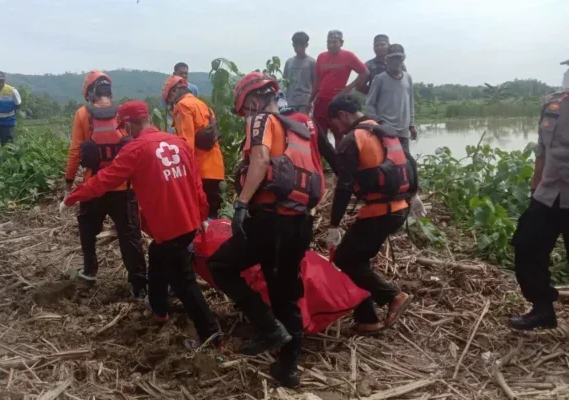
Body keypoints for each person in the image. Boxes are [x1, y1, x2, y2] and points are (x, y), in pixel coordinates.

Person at [60, 100, 220, 344]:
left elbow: (103, 180)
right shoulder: (179, 143)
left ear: (130, 124)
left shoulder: (135, 150)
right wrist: (202, 216)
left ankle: (210, 333)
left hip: (170, 228)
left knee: (184, 281)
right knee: (157, 256)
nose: (125, 132)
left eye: (125, 127)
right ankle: (159, 311)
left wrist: (72, 197)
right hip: (188, 223)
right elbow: (197, 184)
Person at [208, 72, 322, 388]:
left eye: (245, 109)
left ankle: (267, 327)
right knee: (285, 292)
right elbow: (318, 180)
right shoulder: (299, 130)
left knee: (219, 265)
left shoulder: (262, 121)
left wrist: (242, 205)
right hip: (300, 223)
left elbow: (259, 160)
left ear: (255, 101)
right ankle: (288, 370)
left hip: (271, 221)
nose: (246, 116)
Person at [325, 94, 414, 334]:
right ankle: (367, 318)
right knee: (356, 260)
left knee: (344, 258)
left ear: (343, 115)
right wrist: (414, 197)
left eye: (336, 123)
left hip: (380, 211)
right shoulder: (386, 130)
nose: (337, 129)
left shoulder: (353, 139)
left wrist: (334, 224)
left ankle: (394, 296)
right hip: (398, 209)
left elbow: (344, 186)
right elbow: (409, 164)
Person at [63, 70, 147, 297]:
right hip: (123, 186)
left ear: (89, 93)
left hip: (94, 186)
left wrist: (69, 183)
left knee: (87, 229)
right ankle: (139, 286)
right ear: (109, 91)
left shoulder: (83, 114)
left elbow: (74, 152)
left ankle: (90, 271)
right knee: (130, 236)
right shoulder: (123, 113)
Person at [508, 89, 569, 331]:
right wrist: (535, 188)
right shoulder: (554, 105)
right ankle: (542, 309)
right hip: (549, 193)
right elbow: (542, 149)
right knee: (526, 246)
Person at [365, 44, 426, 218]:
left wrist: (412, 124)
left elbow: (410, 103)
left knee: (407, 165)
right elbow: (369, 106)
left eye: (399, 58)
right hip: (386, 133)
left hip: (403, 131)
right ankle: (389, 201)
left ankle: (412, 197)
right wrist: (379, 124)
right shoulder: (380, 79)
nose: (396, 61)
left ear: (403, 59)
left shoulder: (408, 78)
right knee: (388, 168)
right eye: (393, 58)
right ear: (387, 60)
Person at [162, 75, 225, 218]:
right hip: (215, 168)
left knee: (198, 217)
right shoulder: (204, 106)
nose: (171, 103)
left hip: (199, 170)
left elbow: (186, 144)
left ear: (173, 93)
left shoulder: (182, 106)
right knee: (212, 214)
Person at [308, 30, 369, 148]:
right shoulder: (321, 57)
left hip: (337, 102)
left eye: (334, 42)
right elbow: (317, 82)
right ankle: (320, 164)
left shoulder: (349, 56)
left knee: (339, 134)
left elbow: (365, 73)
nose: (331, 45)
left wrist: (348, 88)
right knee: (319, 134)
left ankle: (339, 163)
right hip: (321, 101)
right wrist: (310, 100)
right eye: (329, 42)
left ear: (341, 43)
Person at [283, 32, 316, 113]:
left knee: (304, 124)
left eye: (301, 46)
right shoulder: (289, 63)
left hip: (305, 102)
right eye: (296, 46)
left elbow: (316, 84)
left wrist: (310, 102)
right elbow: (285, 83)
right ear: (293, 45)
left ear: (306, 45)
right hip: (290, 102)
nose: (299, 48)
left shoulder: (312, 62)